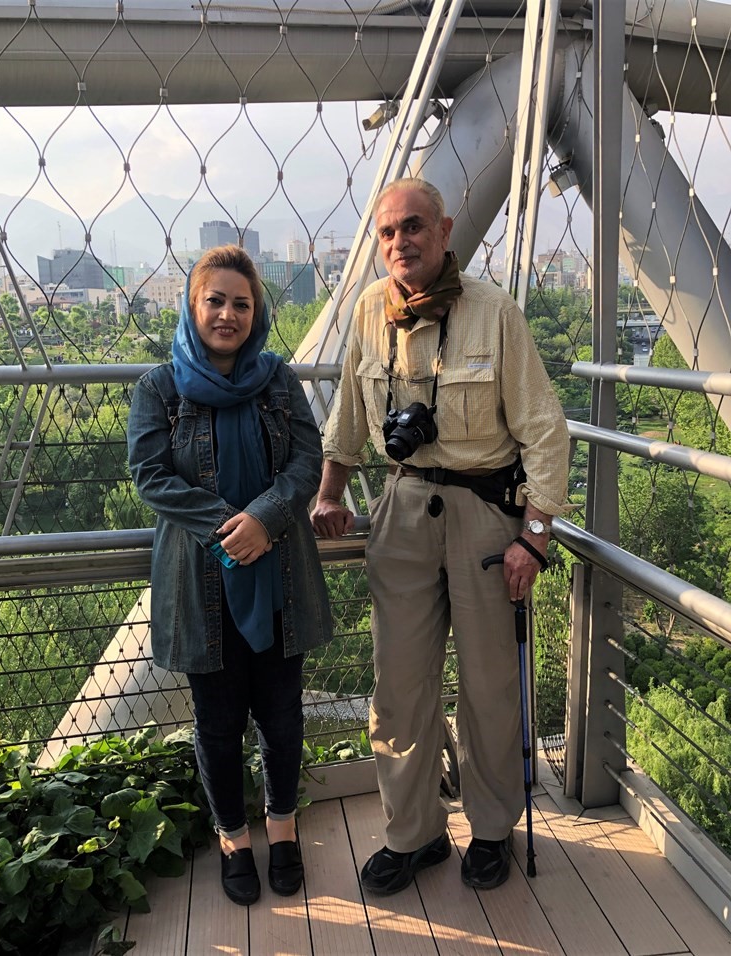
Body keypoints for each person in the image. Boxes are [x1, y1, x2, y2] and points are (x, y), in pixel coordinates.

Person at [311, 179, 569, 894]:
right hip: (401, 510)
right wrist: (329, 494)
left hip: (487, 514)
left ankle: (492, 831)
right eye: (388, 232)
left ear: (446, 228)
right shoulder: (368, 310)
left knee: (488, 683)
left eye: (415, 227)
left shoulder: (494, 313)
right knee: (398, 684)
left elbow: (546, 431)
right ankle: (413, 834)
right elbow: (346, 418)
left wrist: (535, 536)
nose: (401, 243)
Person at [128, 245, 333, 907]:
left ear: (257, 312)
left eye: (241, 303)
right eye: (214, 300)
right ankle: (232, 840)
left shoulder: (277, 379)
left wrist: (266, 519)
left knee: (281, 717)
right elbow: (150, 476)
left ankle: (282, 830)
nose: (228, 314)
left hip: (280, 578)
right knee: (217, 724)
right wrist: (231, 526)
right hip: (202, 583)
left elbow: (308, 459)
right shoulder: (159, 387)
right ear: (192, 307)